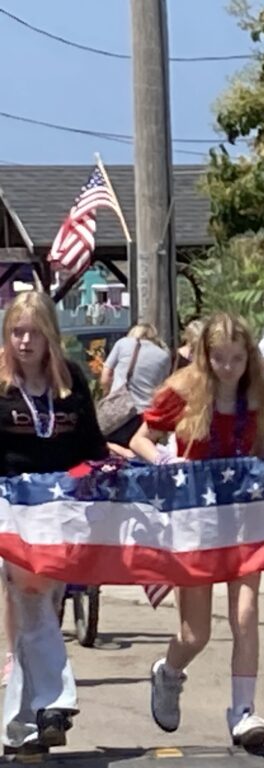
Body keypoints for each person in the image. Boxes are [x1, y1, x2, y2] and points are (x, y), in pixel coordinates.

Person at [129, 314, 264, 748]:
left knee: (246, 616)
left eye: (236, 358)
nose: (228, 367)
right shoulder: (182, 389)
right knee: (197, 632)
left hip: (242, 518)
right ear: (204, 356)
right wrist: (163, 461)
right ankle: (169, 672)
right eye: (219, 358)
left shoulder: (259, 392)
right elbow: (143, 437)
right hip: (194, 517)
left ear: (248, 355)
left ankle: (243, 711)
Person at [0, 291, 106, 753]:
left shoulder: (72, 382)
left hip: (62, 509)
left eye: (33, 332)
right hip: (10, 508)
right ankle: (57, 702)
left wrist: (108, 474)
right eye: (16, 332)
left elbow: (91, 444)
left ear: (50, 336)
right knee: (31, 594)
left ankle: (21, 727)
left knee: (38, 610)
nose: (25, 342)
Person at [100, 323, 172, 448]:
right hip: (146, 417)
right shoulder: (164, 356)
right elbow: (163, 389)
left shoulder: (122, 343)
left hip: (119, 412)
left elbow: (105, 377)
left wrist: (108, 395)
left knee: (113, 455)